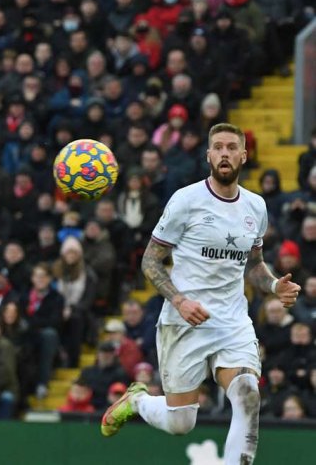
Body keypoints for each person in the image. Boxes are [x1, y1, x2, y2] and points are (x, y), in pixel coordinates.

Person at [101, 123, 301, 465]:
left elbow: (253, 265)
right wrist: (179, 300)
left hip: (232, 321)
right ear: (208, 155)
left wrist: (271, 285)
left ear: (243, 155)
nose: (224, 153)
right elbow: (150, 261)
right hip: (184, 323)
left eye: (231, 147)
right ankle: (136, 401)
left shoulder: (255, 207)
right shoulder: (186, 200)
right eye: (218, 147)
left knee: (248, 394)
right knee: (181, 422)